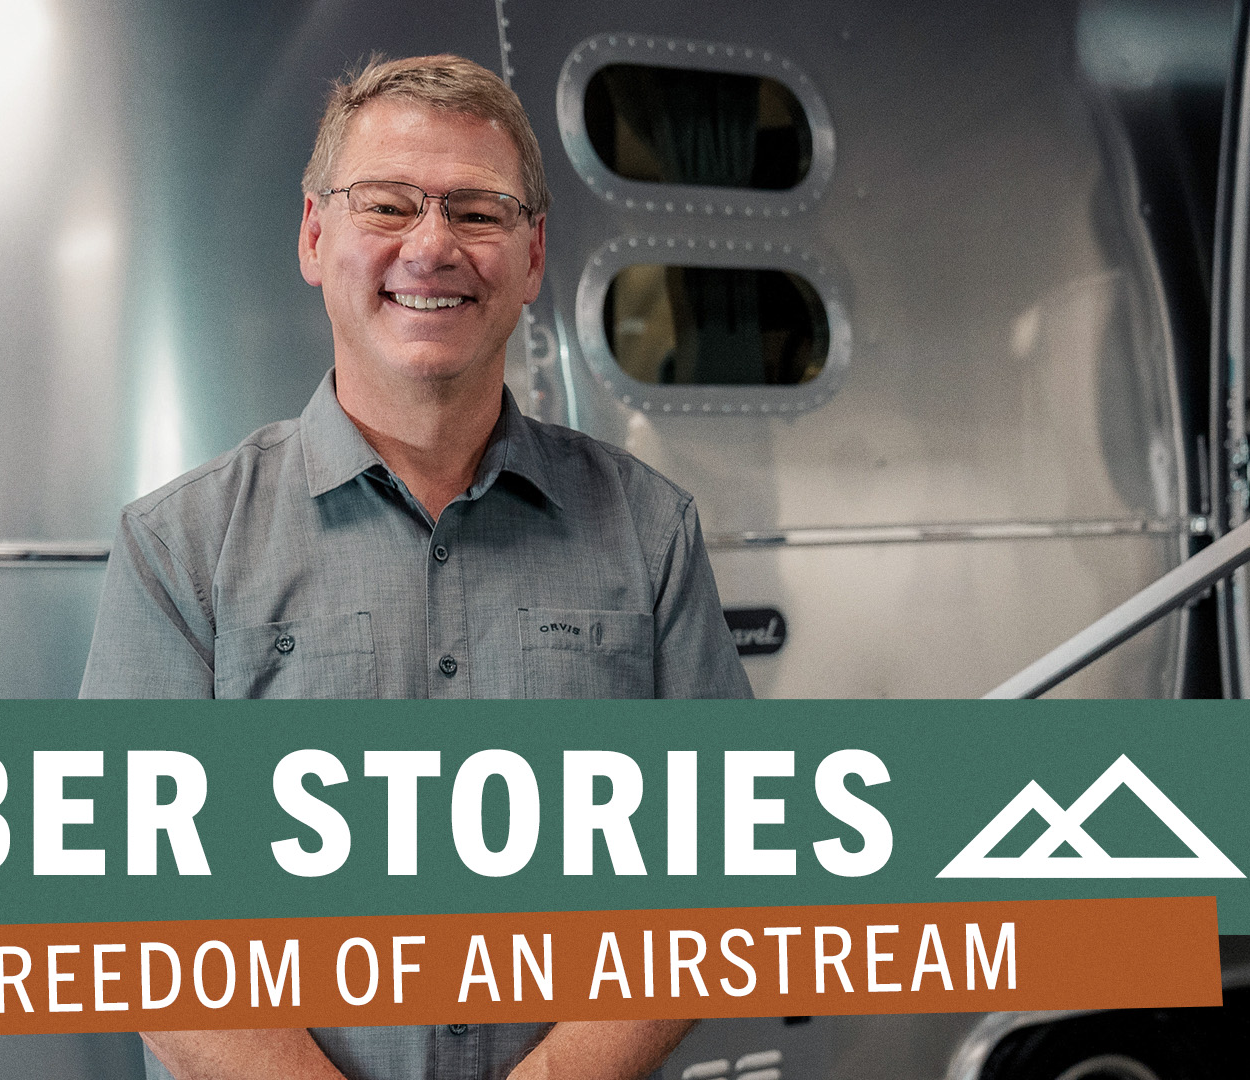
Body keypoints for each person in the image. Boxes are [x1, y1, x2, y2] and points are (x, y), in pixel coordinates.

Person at [80, 53, 751, 1080]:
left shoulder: (648, 531)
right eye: (388, 204)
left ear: (532, 257)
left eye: (479, 213)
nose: (432, 246)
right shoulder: (179, 548)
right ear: (315, 236)